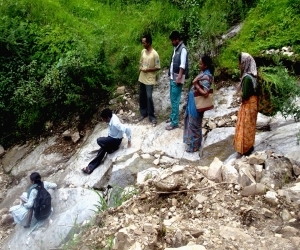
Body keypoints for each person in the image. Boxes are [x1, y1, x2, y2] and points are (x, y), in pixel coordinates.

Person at [82, 108, 131, 174]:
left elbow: (127, 129)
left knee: (99, 140)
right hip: (111, 137)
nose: (103, 120)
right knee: (102, 149)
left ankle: (112, 149)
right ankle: (90, 168)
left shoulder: (115, 123)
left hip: (115, 141)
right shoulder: (111, 116)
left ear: (108, 118)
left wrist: (129, 141)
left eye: (103, 119)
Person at [183, 55, 214, 152]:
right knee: (191, 122)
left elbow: (205, 92)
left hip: (197, 104)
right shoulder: (203, 72)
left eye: (200, 63)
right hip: (193, 102)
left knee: (195, 124)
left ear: (205, 65)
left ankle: (195, 146)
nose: (199, 65)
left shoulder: (207, 76)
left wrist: (196, 84)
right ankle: (191, 143)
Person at [233, 52, 258, 156]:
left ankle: (245, 149)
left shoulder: (247, 78)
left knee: (245, 127)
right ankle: (249, 146)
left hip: (248, 105)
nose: (239, 65)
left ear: (244, 63)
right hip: (253, 104)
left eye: (240, 62)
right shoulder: (253, 75)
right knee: (250, 127)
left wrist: (241, 97)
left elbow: (246, 95)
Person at [166, 30, 189, 130]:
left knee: (175, 101)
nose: (171, 42)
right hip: (172, 77)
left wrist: (179, 78)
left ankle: (174, 123)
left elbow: (182, 65)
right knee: (172, 99)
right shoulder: (176, 48)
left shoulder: (183, 49)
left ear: (177, 39)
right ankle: (172, 117)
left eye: (172, 40)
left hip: (177, 79)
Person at [137, 34, 161, 127]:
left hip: (150, 79)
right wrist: (140, 67)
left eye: (144, 42)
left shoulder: (155, 54)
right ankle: (143, 113)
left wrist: (148, 70)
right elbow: (141, 62)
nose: (143, 44)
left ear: (149, 43)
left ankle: (152, 116)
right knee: (142, 96)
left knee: (149, 97)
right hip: (142, 77)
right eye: (142, 42)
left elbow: (158, 67)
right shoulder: (143, 51)